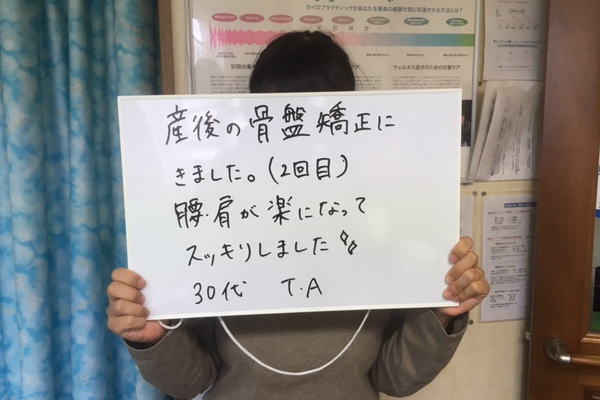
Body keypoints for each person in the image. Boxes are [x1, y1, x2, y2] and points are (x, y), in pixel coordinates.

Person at [107, 31, 490, 400]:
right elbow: (192, 380)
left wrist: (441, 315)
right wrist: (154, 337)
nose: (300, 132)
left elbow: (394, 377)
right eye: (282, 112)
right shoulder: (215, 214)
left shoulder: (386, 212)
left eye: (322, 114)